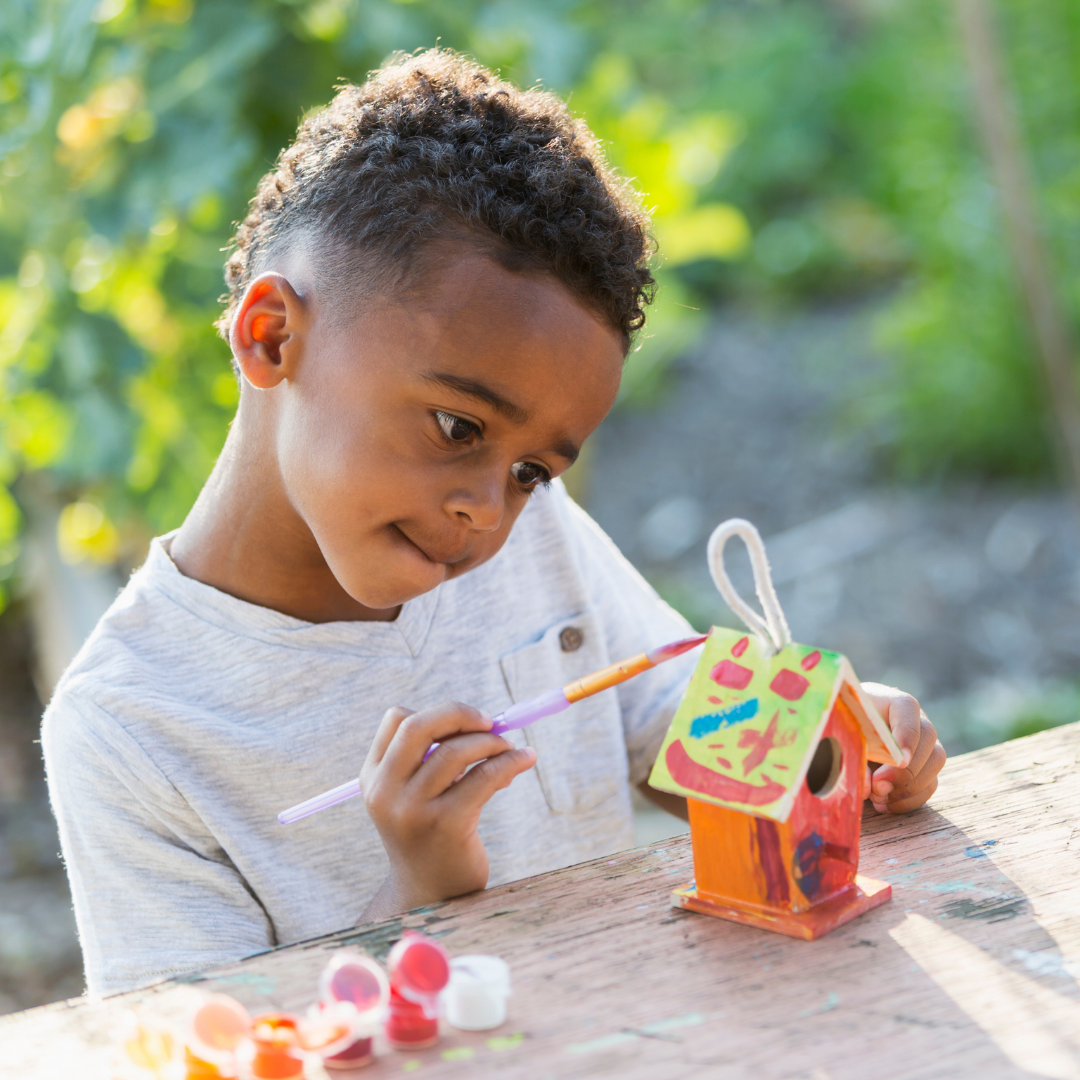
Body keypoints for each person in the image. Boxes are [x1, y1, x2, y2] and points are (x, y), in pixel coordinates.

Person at [42, 50, 945, 998]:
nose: (487, 506)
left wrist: (824, 746)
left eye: (530, 468)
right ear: (272, 337)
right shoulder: (131, 732)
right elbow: (211, 1052)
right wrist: (421, 897)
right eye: (456, 426)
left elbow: (675, 742)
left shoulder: (537, 536)